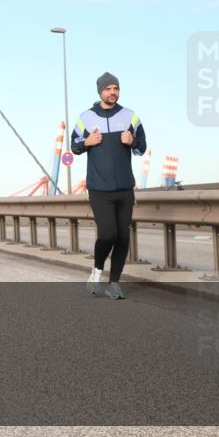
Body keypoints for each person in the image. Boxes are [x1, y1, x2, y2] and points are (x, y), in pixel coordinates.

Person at [72, 72, 146, 300]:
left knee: (123, 237)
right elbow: (74, 147)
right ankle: (96, 271)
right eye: (108, 89)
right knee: (107, 234)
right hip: (99, 188)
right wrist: (87, 142)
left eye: (116, 88)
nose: (112, 92)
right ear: (100, 91)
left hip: (124, 187)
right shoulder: (86, 117)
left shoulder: (130, 116)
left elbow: (141, 147)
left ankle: (114, 282)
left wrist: (131, 141)